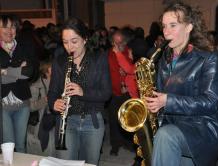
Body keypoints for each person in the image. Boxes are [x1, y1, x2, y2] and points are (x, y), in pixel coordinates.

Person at [144, 2, 218, 166]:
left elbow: (211, 102)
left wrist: (168, 101)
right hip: (172, 127)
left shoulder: (208, 58)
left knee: (165, 136)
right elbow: (161, 94)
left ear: (189, 27)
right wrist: (154, 104)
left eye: (173, 25)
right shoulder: (163, 59)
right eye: (164, 26)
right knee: (165, 136)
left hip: (203, 127)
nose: (166, 32)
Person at [48, 17, 111, 165]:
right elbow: (52, 92)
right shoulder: (59, 61)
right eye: (65, 42)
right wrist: (53, 103)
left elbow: (106, 93)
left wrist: (83, 92)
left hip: (92, 121)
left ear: (85, 39)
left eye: (74, 41)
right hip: (68, 121)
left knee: (89, 163)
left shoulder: (99, 59)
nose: (70, 47)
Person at [0, 14, 39, 152]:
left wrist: (4, 71)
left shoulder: (25, 47)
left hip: (23, 103)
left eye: (13, 26)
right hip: (2, 105)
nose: (10, 30)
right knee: (8, 145)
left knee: (21, 145)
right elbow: (22, 73)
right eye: (5, 26)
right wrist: (18, 70)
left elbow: (30, 73)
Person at [107, 29, 138, 156]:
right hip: (113, 93)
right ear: (112, 42)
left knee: (127, 120)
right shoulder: (108, 54)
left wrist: (125, 71)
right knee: (113, 121)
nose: (120, 44)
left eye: (122, 42)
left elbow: (131, 69)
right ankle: (115, 145)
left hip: (127, 93)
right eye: (117, 42)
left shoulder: (127, 51)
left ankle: (128, 143)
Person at [27, 59, 56, 156]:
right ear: (47, 70)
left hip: (54, 122)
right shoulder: (36, 86)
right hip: (40, 124)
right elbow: (30, 107)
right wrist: (46, 99)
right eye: (53, 67)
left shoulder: (58, 83)